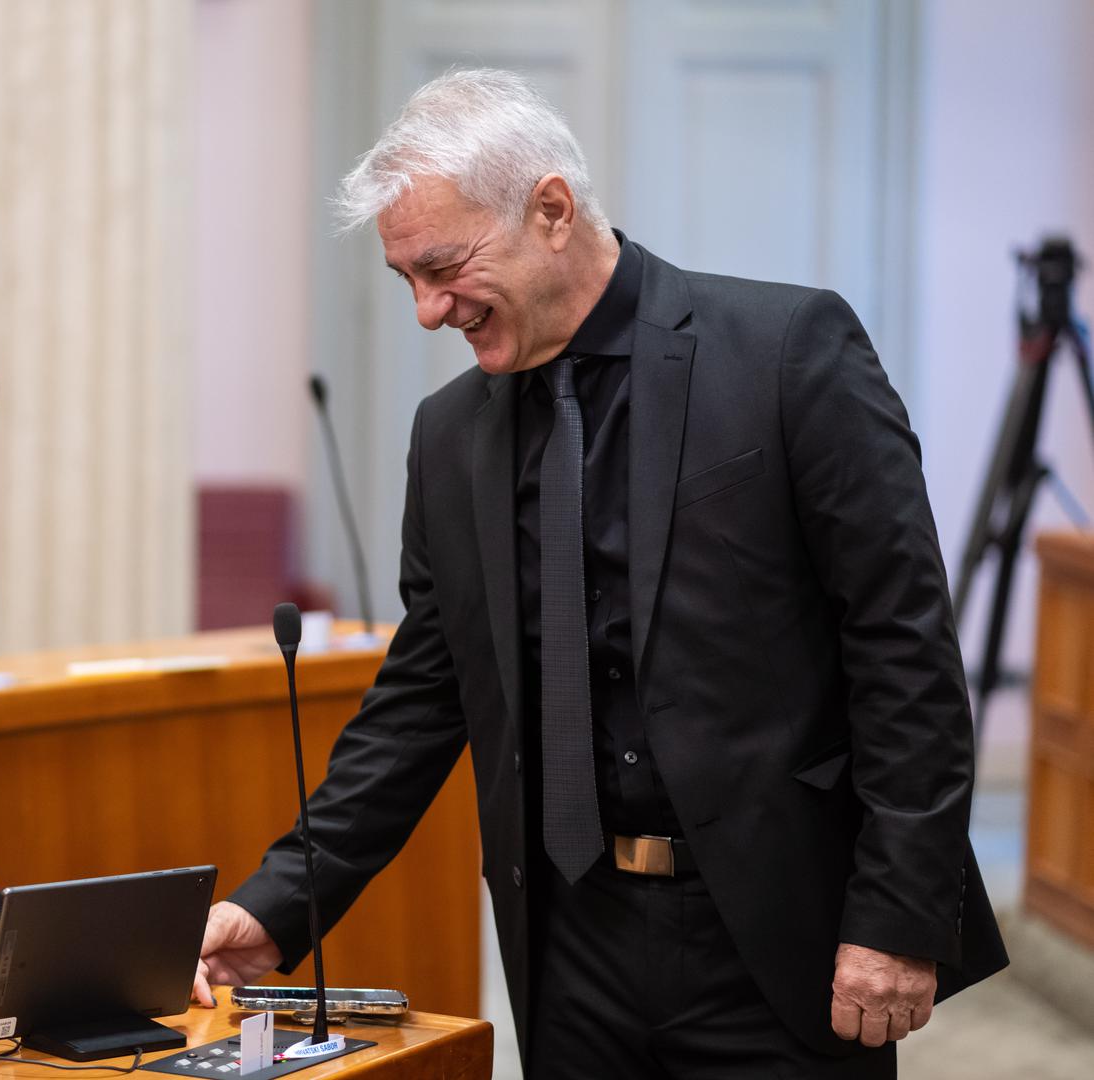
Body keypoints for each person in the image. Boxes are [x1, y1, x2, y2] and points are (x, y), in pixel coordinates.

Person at [194, 69, 1008, 1078]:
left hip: (772, 931)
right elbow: (419, 700)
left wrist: (898, 913)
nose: (426, 310)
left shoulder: (787, 353)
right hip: (569, 943)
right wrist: (281, 902)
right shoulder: (449, 439)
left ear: (550, 210)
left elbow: (905, 647)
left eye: (442, 267)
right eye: (404, 278)